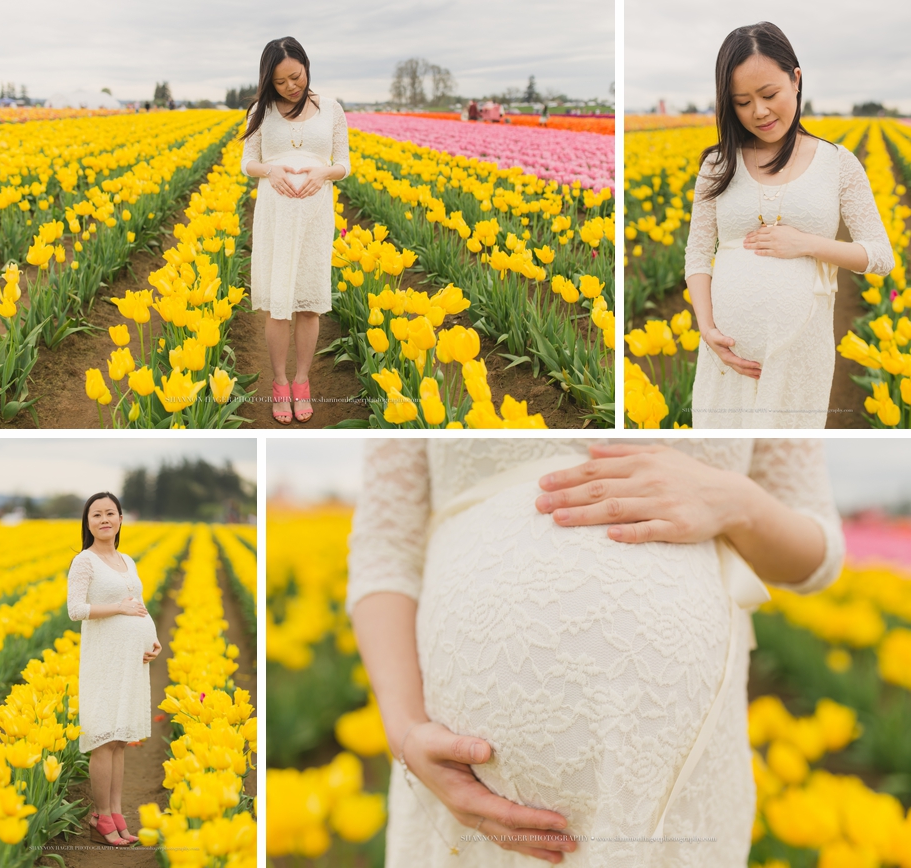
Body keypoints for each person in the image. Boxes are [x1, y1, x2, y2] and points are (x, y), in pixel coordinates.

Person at [347, 439, 844, 866]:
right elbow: (385, 550)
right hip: (461, 799)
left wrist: (738, 502)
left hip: (679, 791)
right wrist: (406, 730)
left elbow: (817, 555)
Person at [685, 21, 893, 429]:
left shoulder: (838, 164)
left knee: (779, 460)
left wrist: (806, 243)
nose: (758, 112)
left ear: (796, 79)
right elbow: (697, 253)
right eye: (742, 101)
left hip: (800, 355)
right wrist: (707, 328)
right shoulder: (717, 165)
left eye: (769, 94)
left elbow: (881, 256)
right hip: (727, 358)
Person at [240, 36, 351, 424]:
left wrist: (322, 171)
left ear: (306, 66)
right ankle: (280, 381)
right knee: (278, 304)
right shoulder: (261, 110)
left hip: (316, 211)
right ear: (268, 81)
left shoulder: (331, 109)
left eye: (296, 76)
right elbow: (248, 162)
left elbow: (344, 164)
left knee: (308, 301)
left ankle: (303, 381)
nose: (291, 86)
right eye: (281, 81)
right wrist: (271, 169)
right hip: (276, 212)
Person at [67, 492, 162, 846]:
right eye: (97, 514)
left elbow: (138, 605)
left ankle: (116, 813)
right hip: (104, 659)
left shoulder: (127, 561)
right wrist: (119, 609)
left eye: (110, 513)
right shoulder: (84, 562)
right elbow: (76, 609)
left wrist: (153, 641)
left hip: (131, 660)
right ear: (88, 522)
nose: (104, 519)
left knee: (120, 741)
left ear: (121, 519)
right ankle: (101, 816)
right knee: (103, 740)